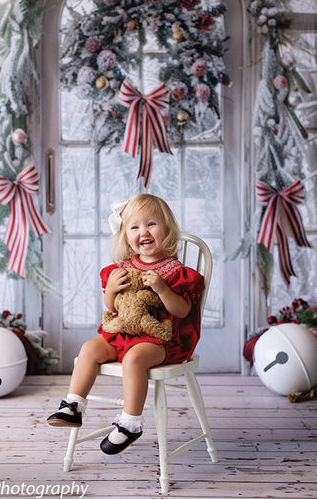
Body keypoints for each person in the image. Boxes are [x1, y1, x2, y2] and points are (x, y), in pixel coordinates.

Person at [47, 194, 205, 455]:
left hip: (161, 338)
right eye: (135, 226)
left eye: (152, 224)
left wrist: (162, 289)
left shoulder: (174, 270)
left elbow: (184, 309)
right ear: (125, 235)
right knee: (89, 348)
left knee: (133, 360)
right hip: (123, 333)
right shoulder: (122, 268)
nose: (144, 231)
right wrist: (109, 290)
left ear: (167, 229)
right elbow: (113, 307)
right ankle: (73, 405)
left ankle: (130, 423)